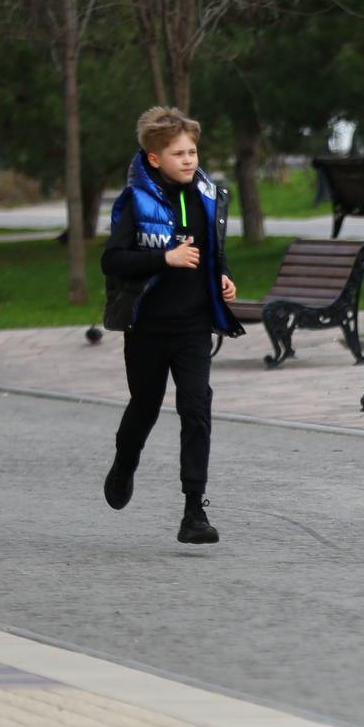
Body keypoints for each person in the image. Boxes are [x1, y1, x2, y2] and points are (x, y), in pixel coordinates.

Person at [99, 106, 244, 545]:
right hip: (147, 326)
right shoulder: (135, 201)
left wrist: (223, 277)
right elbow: (113, 260)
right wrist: (165, 258)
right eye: (178, 154)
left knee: (196, 408)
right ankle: (125, 463)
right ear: (154, 157)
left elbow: (211, 252)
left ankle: (193, 510)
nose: (188, 160)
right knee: (145, 405)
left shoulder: (207, 197)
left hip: (194, 325)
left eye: (192, 152)